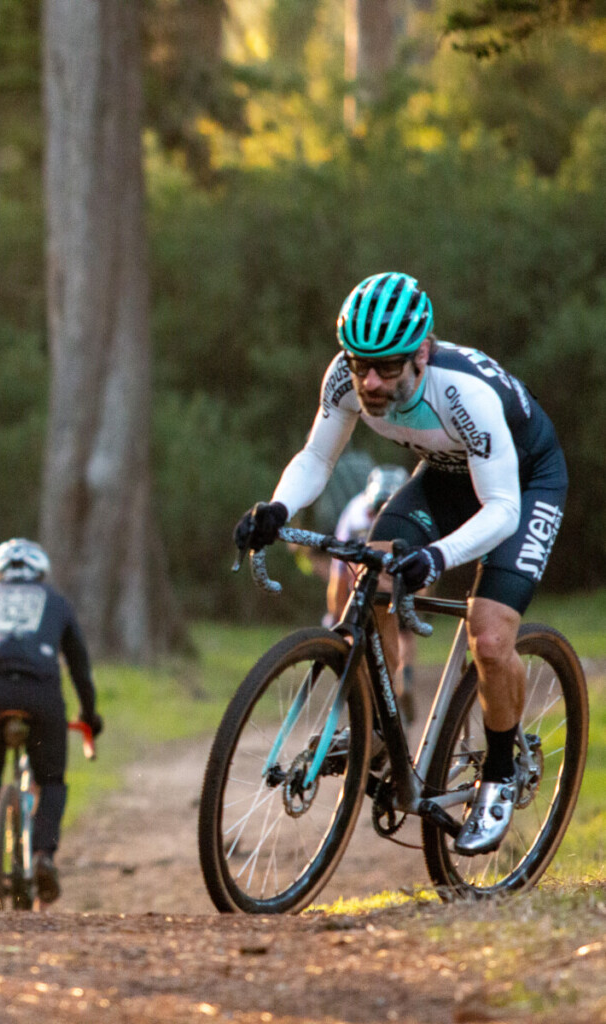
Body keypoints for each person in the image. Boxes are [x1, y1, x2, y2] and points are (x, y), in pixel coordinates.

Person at [234, 272, 567, 857]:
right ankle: (382, 737)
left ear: (422, 352)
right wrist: (278, 507)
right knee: (373, 580)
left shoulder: (463, 393)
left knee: (488, 637)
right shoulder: (346, 376)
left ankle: (499, 771)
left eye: (387, 368)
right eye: (361, 363)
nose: (370, 381)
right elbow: (317, 455)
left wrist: (436, 556)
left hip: (523, 485)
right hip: (441, 477)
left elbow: (503, 510)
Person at [0, 539, 102, 908]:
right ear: (40, 573)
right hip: (41, 694)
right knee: (50, 779)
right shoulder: (55, 601)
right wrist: (89, 716)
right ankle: (42, 856)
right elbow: (80, 669)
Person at [323, 463, 420, 724]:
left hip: (388, 574)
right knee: (402, 633)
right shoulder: (356, 512)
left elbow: (338, 572)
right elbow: (338, 573)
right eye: (375, 511)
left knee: (391, 630)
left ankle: (370, 695)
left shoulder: (356, 512)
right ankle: (401, 679)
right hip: (376, 575)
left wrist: (336, 615)